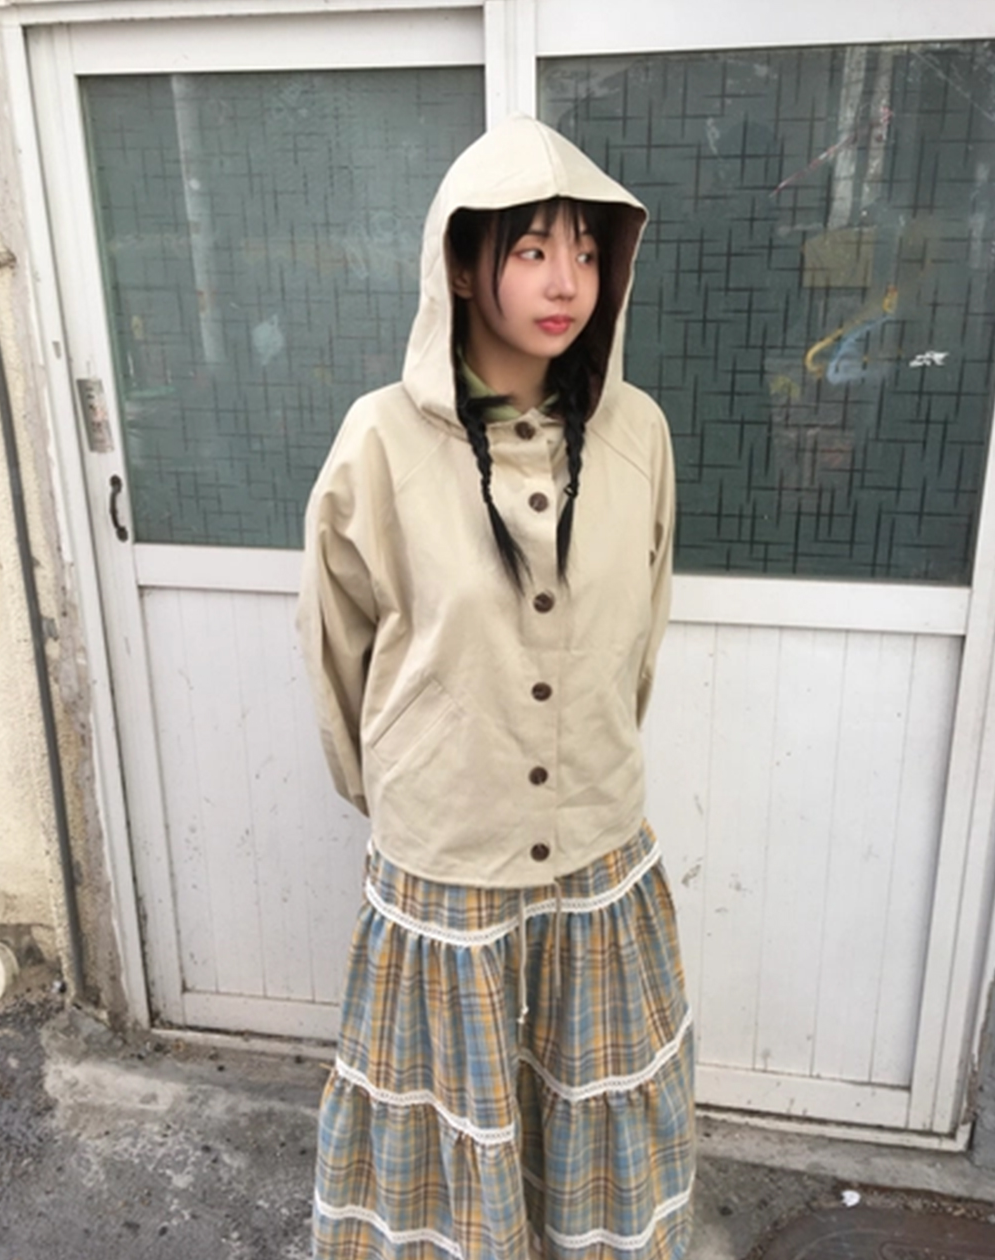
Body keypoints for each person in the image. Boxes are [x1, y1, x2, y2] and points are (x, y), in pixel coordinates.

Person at [297, 114, 695, 1260]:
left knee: (593, 1125)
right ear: (464, 267)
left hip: (597, 857)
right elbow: (336, 649)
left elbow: (637, 640)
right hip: (446, 866)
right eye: (531, 249)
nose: (566, 281)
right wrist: (404, 801)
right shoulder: (380, 442)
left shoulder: (636, 434)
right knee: (446, 1148)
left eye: (586, 251)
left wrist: (583, 770)